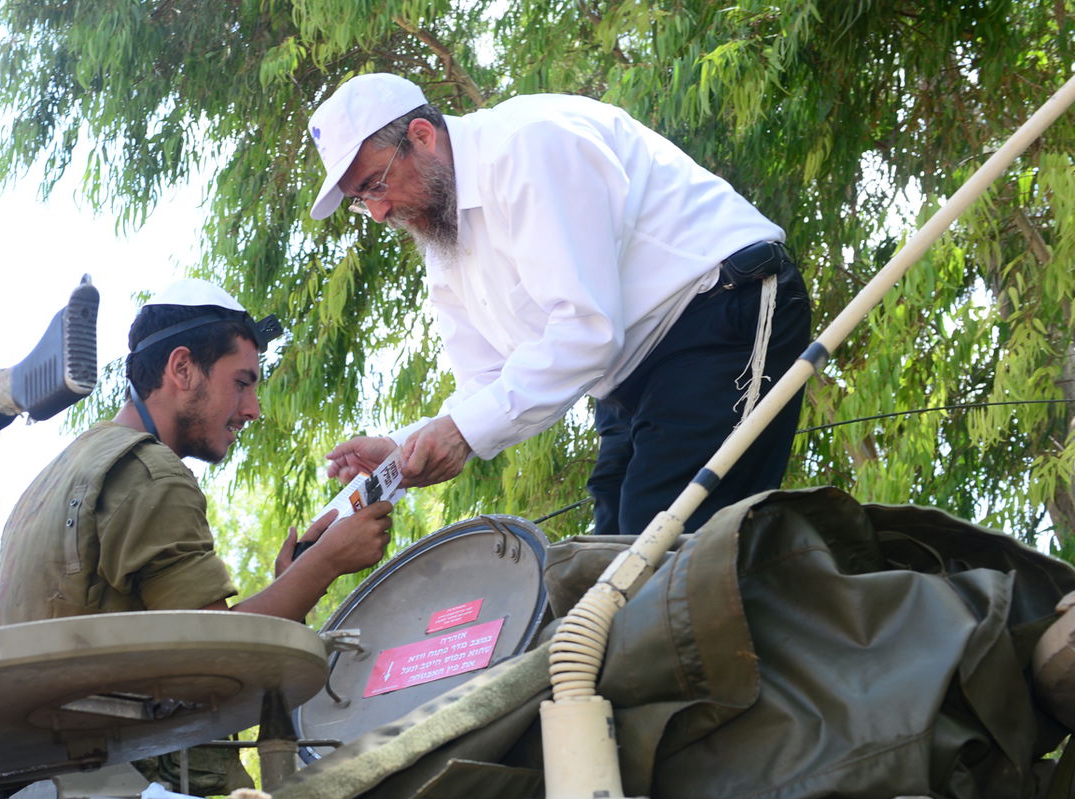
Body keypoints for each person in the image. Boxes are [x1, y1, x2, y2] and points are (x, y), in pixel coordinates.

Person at [307, 73, 812, 533]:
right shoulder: (442, 233)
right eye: (360, 199)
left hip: (721, 311)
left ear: (422, 135)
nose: (377, 212)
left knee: (660, 550)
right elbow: (486, 380)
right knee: (607, 560)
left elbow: (585, 329)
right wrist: (404, 448)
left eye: (376, 184)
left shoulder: (527, 145)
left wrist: (463, 434)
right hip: (626, 375)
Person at [0, 277, 393, 628]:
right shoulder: (149, 472)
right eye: (241, 382)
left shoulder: (63, 472)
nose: (253, 409)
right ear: (182, 368)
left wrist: (294, 578)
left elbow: (182, 642)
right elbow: (214, 656)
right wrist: (326, 563)